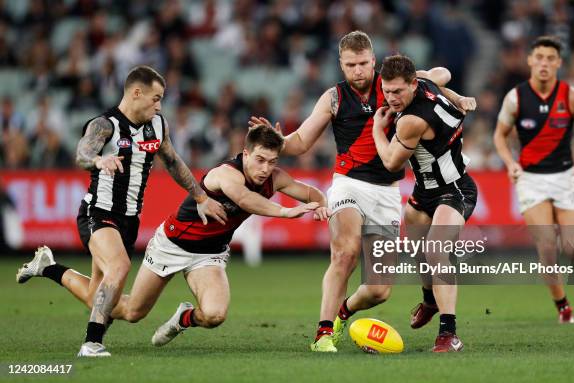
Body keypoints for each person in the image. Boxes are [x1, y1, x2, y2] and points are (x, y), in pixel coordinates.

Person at [17, 125, 327, 349]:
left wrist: (322, 206)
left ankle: (182, 319)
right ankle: (49, 268)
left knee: (216, 314)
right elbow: (245, 200)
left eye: (272, 162)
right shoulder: (226, 174)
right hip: (171, 245)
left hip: (209, 254)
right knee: (128, 311)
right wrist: (287, 212)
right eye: (259, 160)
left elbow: (310, 191)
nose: (265, 169)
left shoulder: (274, 178)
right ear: (245, 153)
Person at [250, 31, 463, 352]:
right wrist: (277, 141)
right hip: (348, 185)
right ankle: (323, 334)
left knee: (378, 290)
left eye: (363, 63)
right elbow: (302, 140)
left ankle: (341, 312)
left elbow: (438, 75)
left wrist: (452, 92)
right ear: (341, 64)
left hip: (388, 192)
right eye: (350, 65)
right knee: (346, 251)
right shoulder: (334, 97)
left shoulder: (392, 86)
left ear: (373, 61)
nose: (358, 71)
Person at [16, 65, 227, 357]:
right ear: (136, 93)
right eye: (156, 98)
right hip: (98, 212)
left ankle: (47, 267)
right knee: (120, 267)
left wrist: (201, 196)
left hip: (129, 221)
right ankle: (92, 343)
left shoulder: (158, 125)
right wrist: (98, 161)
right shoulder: (105, 125)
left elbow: (174, 162)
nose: (159, 104)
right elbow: (82, 153)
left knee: (110, 304)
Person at [371, 54, 478, 352]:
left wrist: (377, 131)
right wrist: (454, 94)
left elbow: (392, 162)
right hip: (423, 193)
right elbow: (442, 71)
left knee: (436, 251)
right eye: (386, 90)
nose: (391, 98)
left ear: (413, 85)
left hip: (455, 189)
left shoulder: (410, 121)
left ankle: (449, 334)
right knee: (421, 253)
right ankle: (430, 301)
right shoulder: (425, 82)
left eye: (397, 92)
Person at [493, 36, 574, 324]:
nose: (544, 63)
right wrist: (509, 162)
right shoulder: (515, 97)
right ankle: (563, 306)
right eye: (539, 57)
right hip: (531, 179)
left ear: (558, 63)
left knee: (573, 248)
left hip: (565, 177)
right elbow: (499, 135)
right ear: (530, 60)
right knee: (547, 247)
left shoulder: (571, 96)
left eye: (550, 58)